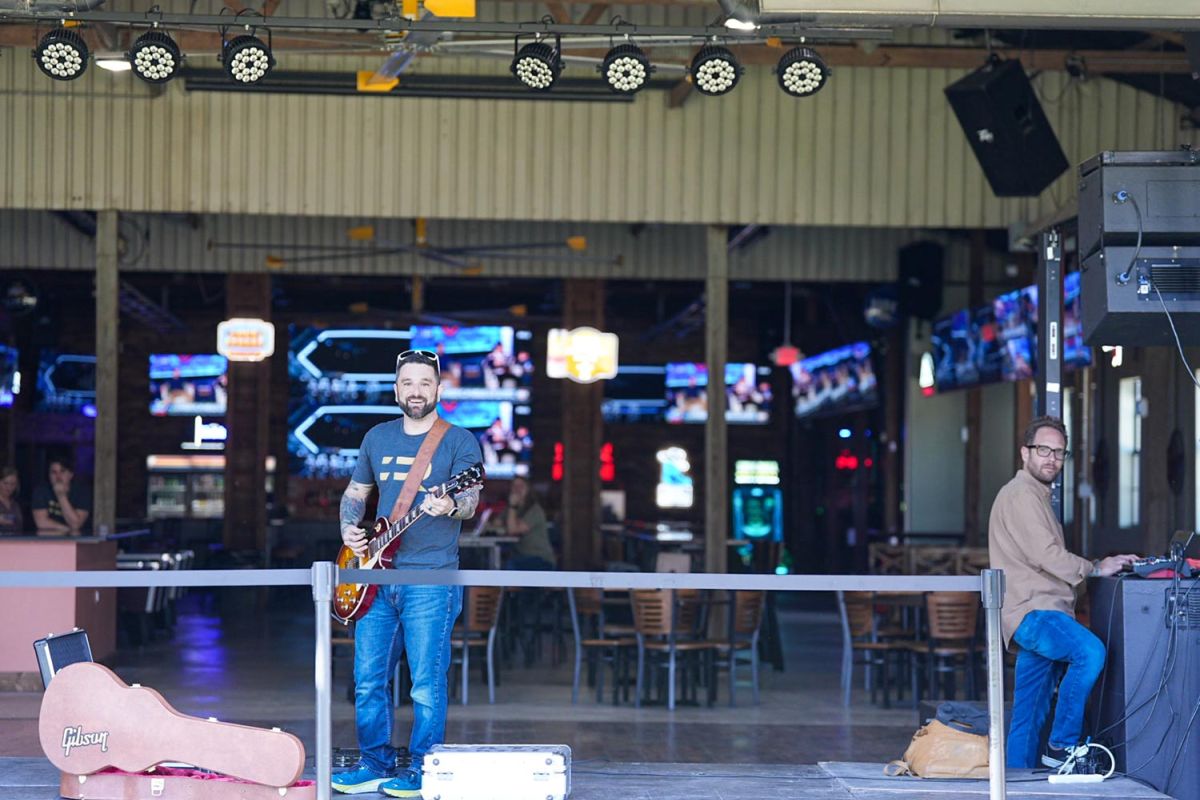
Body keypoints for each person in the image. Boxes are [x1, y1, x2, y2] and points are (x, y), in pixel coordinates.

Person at [333, 349, 482, 799]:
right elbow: (356, 493)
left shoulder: (459, 442)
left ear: (439, 389)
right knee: (367, 680)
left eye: (424, 383)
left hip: (431, 579)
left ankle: (422, 767)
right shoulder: (377, 437)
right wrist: (348, 529)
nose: (415, 391)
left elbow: (471, 500)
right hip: (374, 575)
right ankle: (374, 763)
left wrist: (450, 504)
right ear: (396, 389)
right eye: (407, 383)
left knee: (425, 684)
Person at [988, 416, 1138, 771]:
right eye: (1043, 450)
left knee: (1028, 714)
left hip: (1034, 612)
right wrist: (1097, 566)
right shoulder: (1022, 495)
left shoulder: (1035, 496)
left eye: (1059, 452)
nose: (1051, 459)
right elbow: (1047, 556)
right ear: (1025, 453)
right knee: (1089, 651)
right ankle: (1061, 747)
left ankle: (1016, 784)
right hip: (1034, 612)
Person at [503, 476, 555, 571]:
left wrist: (512, 506)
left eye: (521, 486)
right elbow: (496, 523)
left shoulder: (535, 510)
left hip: (540, 558)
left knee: (509, 566)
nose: (517, 489)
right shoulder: (513, 509)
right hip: (521, 556)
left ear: (528, 489)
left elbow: (513, 530)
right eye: (515, 486)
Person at [32, 459, 90, 535]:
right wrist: (64, 528)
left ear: (71, 475)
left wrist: (61, 496)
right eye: (54, 472)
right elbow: (41, 522)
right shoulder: (41, 490)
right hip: (48, 538)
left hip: (77, 541)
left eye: (62, 471)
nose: (58, 477)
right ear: (49, 475)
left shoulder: (82, 491)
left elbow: (75, 525)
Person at [0, 467, 23, 534]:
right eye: (5, 483)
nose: (9, 487)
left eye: (12, 484)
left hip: (15, 541)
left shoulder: (15, 505)